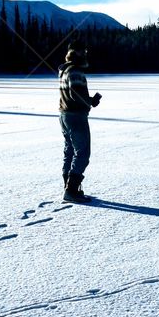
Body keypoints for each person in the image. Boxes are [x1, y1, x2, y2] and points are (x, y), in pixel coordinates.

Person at [58, 41, 101, 203]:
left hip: (64, 115)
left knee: (70, 151)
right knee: (82, 153)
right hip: (76, 116)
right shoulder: (75, 70)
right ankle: (71, 190)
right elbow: (76, 93)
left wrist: (88, 101)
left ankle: (69, 187)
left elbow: (71, 93)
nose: (86, 54)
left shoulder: (64, 70)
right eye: (84, 51)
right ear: (78, 53)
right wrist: (90, 101)